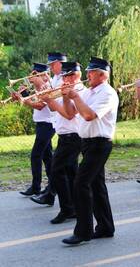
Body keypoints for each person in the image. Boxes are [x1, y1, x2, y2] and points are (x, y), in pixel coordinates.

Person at [61, 57, 118, 245]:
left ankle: (83, 231)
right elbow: (71, 114)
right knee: (96, 185)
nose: (88, 75)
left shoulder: (107, 93)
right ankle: (105, 227)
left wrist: (75, 96)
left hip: (99, 143)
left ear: (102, 75)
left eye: (92, 72)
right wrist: (65, 96)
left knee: (80, 184)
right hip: (87, 143)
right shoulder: (90, 92)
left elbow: (88, 115)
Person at [39, 62, 84, 224]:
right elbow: (54, 111)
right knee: (71, 174)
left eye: (67, 75)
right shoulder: (66, 90)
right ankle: (74, 208)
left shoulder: (80, 91)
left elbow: (69, 115)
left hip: (73, 136)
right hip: (65, 135)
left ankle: (66, 209)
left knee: (56, 171)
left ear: (75, 75)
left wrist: (51, 101)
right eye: (64, 75)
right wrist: (47, 98)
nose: (64, 78)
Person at [30, 52, 67, 205]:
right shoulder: (56, 79)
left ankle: (44, 190)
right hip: (57, 126)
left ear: (60, 63)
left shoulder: (59, 80)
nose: (50, 67)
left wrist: (39, 85)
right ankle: (50, 193)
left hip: (52, 124)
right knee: (51, 160)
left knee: (40, 157)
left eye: (52, 64)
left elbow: (42, 104)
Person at [19, 63, 55, 197]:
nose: (32, 78)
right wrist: (24, 94)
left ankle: (36, 187)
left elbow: (39, 106)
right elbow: (34, 100)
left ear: (43, 74)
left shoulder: (48, 86)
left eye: (35, 75)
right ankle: (52, 186)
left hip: (47, 124)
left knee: (36, 155)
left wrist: (24, 100)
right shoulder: (38, 86)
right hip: (41, 124)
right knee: (47, 157)